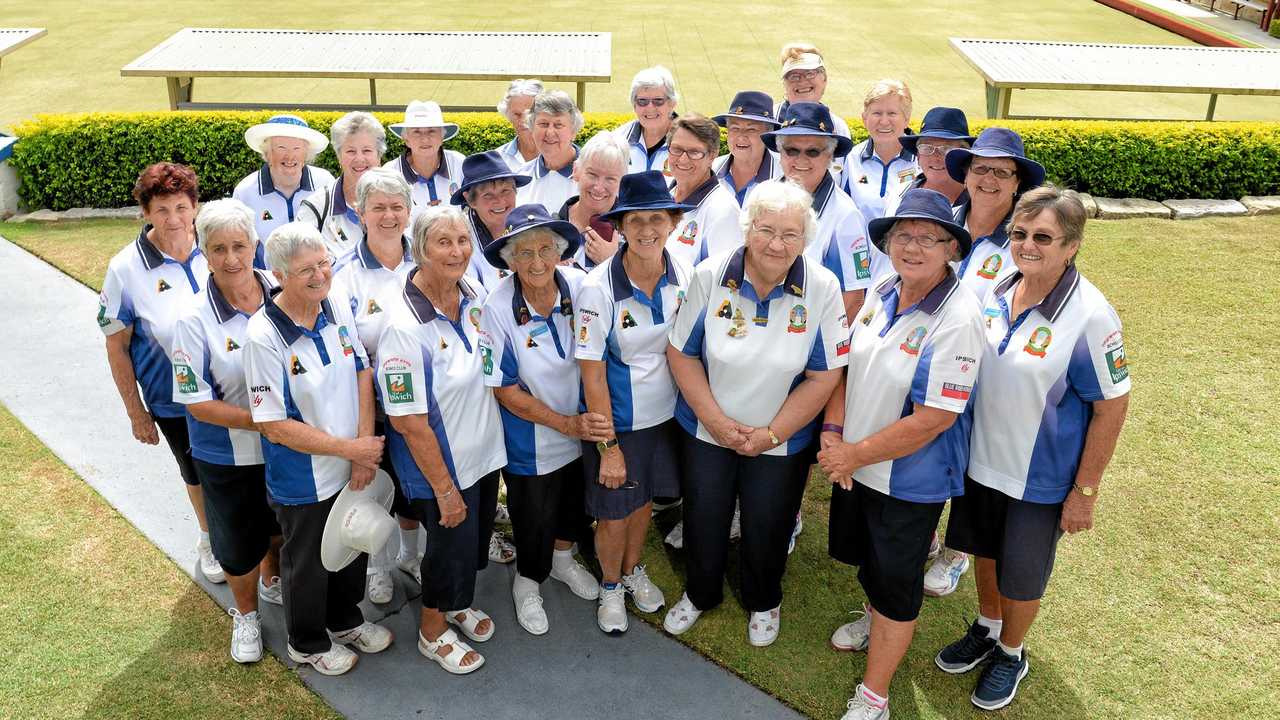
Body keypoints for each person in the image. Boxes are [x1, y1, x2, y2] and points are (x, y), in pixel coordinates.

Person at [934, 185, 1130, 712]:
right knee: (986, 553)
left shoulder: (1091, 316)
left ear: (1072, 245)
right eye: (1020, 234)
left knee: (1022, 575)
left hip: (1038, 477)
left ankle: (1012, 653)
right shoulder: (998, 287)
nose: (1027, 246)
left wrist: (1085, 491)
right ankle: (986, 627)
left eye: (1043, 237)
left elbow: (1112, 405)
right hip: (981, 462)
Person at [817, 189, 985, 720]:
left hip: (909, 478)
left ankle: (875, 696)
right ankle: (874, 619)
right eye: (902, 236)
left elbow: (935, 417)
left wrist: (851, 454)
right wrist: (834, 431)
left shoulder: (959, 317)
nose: (912, 247)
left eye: (928, 238)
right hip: (857, 462)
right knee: (870, 561)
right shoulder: (884, 288)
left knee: (897, 582)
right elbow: (844, 365)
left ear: (950, 249)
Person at [663, 180, 846, 646]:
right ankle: (700, 593)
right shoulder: (711, 274)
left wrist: (771, 434)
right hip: (708, 431)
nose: (776, 244)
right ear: (747, 230)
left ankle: (763, 599)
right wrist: (718, 424)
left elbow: (824, 375)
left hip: (781, 438)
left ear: (805, 239)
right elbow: (681, 353)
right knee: (705, 517)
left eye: (790, 234)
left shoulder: (822, 287)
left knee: (769, 523)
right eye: (766, 230)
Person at [243, 222, 393, 676]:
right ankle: (307, 641)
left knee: (350, 544)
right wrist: (353, 449)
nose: (319, 275)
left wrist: (363, 449)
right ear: (279, 275)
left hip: (352, 461)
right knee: (306, 563)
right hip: (303, 476)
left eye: (324, 263)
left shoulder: (333, 307)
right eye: (305, 269)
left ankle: (344, 620)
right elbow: (273, 425)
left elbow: (362, 373)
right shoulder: (262, 336)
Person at [377, 205, 507, 674]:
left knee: (469, 548)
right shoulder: (402, 328)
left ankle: (457, 602)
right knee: (447, 551)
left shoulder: (469, 292)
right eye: (443, 243)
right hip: (442, 466)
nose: (457, 251)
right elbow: (409, 422)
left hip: (482, 452)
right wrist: (446, 489)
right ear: (419, 250)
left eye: (463, 241)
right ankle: (432, 631)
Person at [477, 205, 609, 635]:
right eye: (525, 254)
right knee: (532, 515)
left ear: (560, 252)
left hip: (581, 429)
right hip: (530, 437)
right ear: (510, 261)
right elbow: (503, 388)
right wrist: (565, 423)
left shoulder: (581, 286)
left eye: (545, 250)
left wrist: (581, 424)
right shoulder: (495, 308)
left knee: (573, 505)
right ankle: (528, 581)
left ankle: (564, 561)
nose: (536, 263)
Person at [575, 171, 693, 634]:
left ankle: (631, 570)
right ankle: (609, 587)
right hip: (619, 424)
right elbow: (592, 372)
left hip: (666, 420)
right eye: (636, 220)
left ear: (672, 222)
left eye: (657, 219)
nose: (647, 229)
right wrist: (609, 447)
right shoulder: (596, 288)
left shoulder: (683, 271)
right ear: (620, 227)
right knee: (613, 511)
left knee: (641, 503)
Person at [171, 198, 283, 663]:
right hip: (227, 452)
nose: (232, 258)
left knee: (278, 525)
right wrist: (267, 420)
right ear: (204, 253)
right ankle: (246, 616)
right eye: (218, 249)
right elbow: (196, 402)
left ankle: (273, 578)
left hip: (287, 447)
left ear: (255, 245)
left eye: (240, 245)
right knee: (237, 541)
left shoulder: (283, 289)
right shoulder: (192, 319)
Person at [100, 162, 219, 583]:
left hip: (230, 391)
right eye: (162, 209)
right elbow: (117, 345)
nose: (174, 220)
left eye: (182, 208)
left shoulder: (216, 248)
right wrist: (136, 412)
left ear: (195, 208)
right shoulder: (125, 269)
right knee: (197, 471)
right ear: (145, 213)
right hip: (172, 398)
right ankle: (209, 538)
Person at [328, 168, 421, 605]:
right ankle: (378, 568)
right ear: (359, 213)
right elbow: (353, 358)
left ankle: (409, 554)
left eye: (397, 207)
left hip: (427, 404)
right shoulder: (344, 275)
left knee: (415, 486)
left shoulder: (426, 259)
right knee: (378, 488)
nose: (388, 216)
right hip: (376, 406)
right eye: (378, 207)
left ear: (409, 211)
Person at [762, 102, 885, 322]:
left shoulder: (845, 215)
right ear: (780, 154)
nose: (801, 160)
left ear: (829, 157)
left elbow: (853, 298)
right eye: (791, 150)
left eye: (812, 152)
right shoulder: (762, 196)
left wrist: (817, 347)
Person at [947, 127, 1046, 297]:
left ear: (1017, 184)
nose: (989, 179)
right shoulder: (940, 222)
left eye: (1002, 172)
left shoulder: (1027, 243)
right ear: (966, 175)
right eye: (980, 168)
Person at [233, 114, 335, 265]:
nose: (290, 157)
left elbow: (337, 235)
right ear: (267, 153)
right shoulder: (245, 192)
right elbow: (238, 247)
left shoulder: (325, 183)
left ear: (306, 153)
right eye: (281, 148)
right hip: (269, 283)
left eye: (296, 148)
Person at [298, 111, 387, 256]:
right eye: (351, 151)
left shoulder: (399, 202)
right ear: (339, 157)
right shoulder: (316, 208)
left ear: (379, 156)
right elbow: (300, 262)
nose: (359, 158)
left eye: (367, 150)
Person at [663, 114, 743, 268]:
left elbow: (722, 280)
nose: (683, 160)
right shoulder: (662, 194)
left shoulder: (723, 210)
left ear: (712, 155)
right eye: (677, 149)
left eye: (694, 152)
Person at [840, 80, 918, 223]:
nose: (883, 121)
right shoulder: (851, 158)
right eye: (877, 113)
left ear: (906, 119)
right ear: (864, 118)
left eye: (892, 113)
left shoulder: (922, 161)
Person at [453, 150, 531, 289]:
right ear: (470, 201)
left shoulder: (531, 223)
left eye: (505, 191)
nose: (499, 201)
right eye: (488, 195)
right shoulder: (460, 239)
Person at [882, 107, 974, 218]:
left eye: (946, 149)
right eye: (926, 148)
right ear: (918, 155)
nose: (936, 157)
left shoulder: (977, 201)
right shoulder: (900, 193)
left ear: (963, 155)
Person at [558, 130, 628, 269]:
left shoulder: (634, 229)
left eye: (610, 179)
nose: (599, 187)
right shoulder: (551, 226)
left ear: (622, 182)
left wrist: (612, 263)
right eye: (592, 174)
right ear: (576, 171)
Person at [385, 100, 465, 210]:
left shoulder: (459, 163)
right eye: (416, 132)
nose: (425, 139)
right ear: (406, 139)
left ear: (442, 137)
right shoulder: (390, 173)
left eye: (431, 131)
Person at [712, 91, 783, 206]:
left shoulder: (785, 174)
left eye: (751, 129)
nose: (741, 136)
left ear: (768, 133)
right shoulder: (710, 170)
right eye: (735, 128)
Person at [517, 90, 582, 213]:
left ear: (573, 131)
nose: (550, 132)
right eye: (543, 124)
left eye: (558, 125)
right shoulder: (521, 178)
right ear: (531, 128)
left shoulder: (593, 175)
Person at [775, 43, 851, 140]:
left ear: (824, 79)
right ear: (784, 84)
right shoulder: (768, 122)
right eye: (794, 76)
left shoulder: (838, 127)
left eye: (810, 73)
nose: (802, 81)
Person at [616, 65, 679, 175]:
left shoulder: (689, 144)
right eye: (642, 101)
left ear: (672, 103)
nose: (650, 107)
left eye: (658, 101)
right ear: (634, 105)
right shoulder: (617, 141)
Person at [495, 79, 544, 171]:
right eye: (517, 114)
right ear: (507, 114)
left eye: (530, 114)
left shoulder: (562, 158)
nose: (523, 120)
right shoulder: (497, 160)